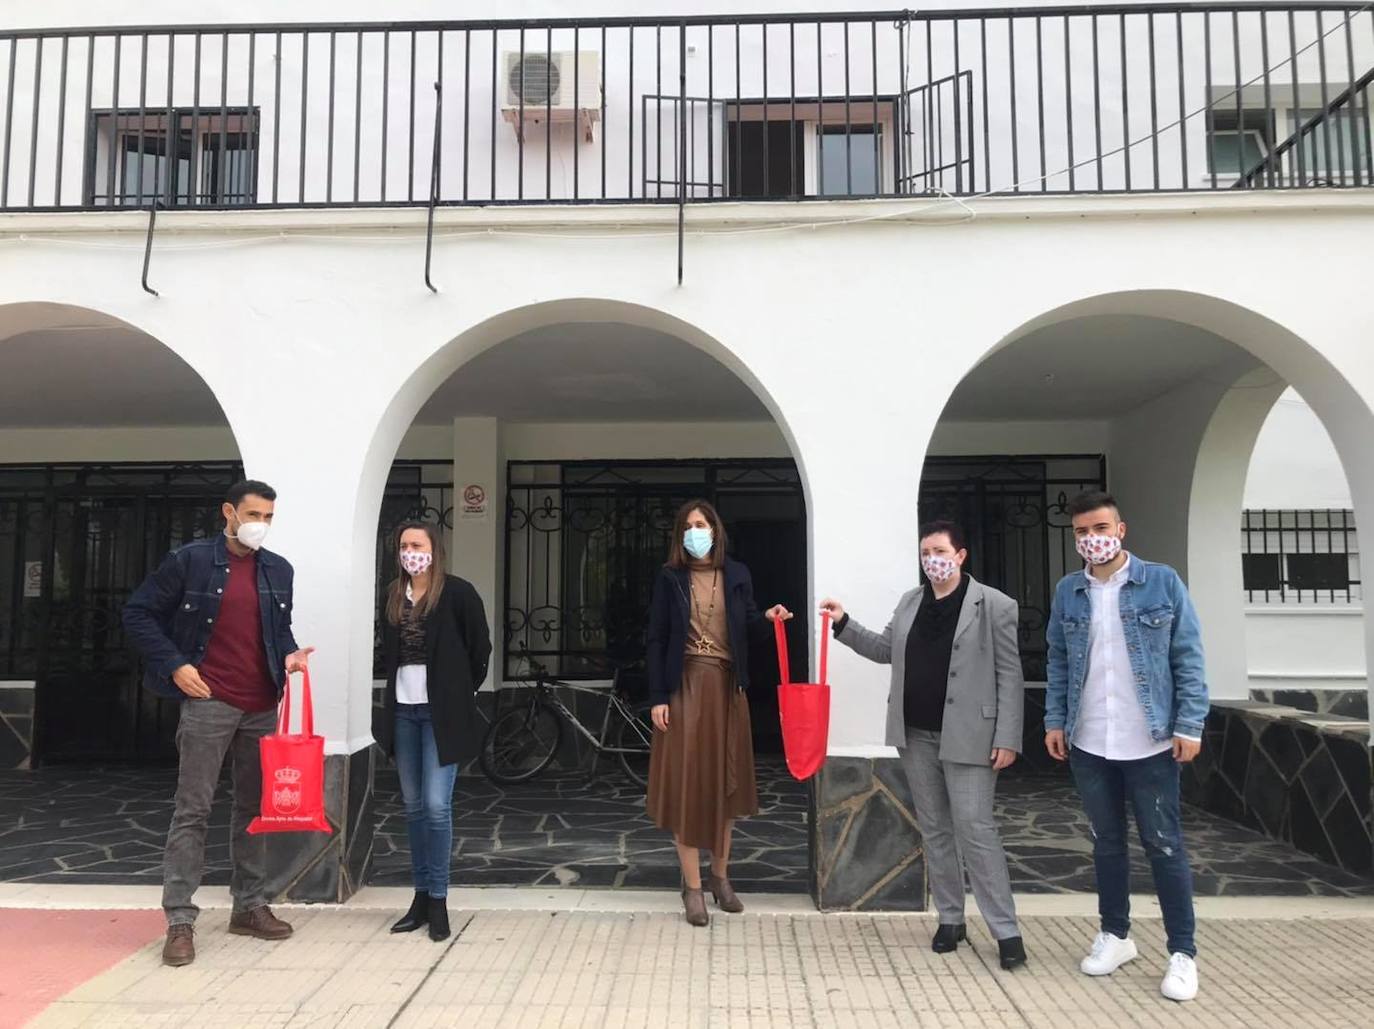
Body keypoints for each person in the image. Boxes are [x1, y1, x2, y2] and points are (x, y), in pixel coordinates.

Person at [815, 520, 1028, 970]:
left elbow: (1010, 674)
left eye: (940, 551)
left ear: (960, 555)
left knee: (976, 829)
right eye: (926, 552)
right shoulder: (910, 602)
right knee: (934, 829)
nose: (932, 560)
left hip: (972, 737)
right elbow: (884, 649)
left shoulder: (994, 605)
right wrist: (844, 623)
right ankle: (950, 919)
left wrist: (1008, 736)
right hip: (916, 734)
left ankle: (1005, 930)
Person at [123, 479, 314, 968]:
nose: (261, 525)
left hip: (261, 704)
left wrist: (290, 655)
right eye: (253, 515)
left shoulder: (278, 569)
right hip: (209, 700)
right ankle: (179, 920)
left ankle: (249, 906)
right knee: (193, 809)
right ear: (229, 512)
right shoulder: (190, 561)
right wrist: (175, 664)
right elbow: (138, 613)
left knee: (253, 809)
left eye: (268, 517)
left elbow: (277, 630)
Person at [1044, 490, 1208, 1003]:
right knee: (1106, 843)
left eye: (1100, 528)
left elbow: (1188, 656)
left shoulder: (1161, 581)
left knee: (1164, 845)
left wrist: (1190, 725)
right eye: (1082, 532)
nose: (1091, 539)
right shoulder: (1069, 591)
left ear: (1121, 530)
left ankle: (1182, 953)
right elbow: (1058, 660)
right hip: (1090, 739)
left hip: (1152, 740)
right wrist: (1054, 720)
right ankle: (1115, 935)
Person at [645, 499, 788, 927]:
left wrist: (770, 618)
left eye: (702, 524)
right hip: (685, 685)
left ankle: (720, 878)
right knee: (687, 788)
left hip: (728, 688)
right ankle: (692, 888)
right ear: (680, 534)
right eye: (688, 525)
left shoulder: (737, 573)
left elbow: (748, 626)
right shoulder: (670, 577)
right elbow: (656, 637)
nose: (696, 532)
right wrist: (658, 695)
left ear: (716, 530)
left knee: (726, 787)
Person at [381, 521, 491, 942]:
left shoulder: (458, 593)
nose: (410, 551)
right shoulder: (394, 594)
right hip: (403, 712)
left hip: (441, 714)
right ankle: (421, 896)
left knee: (435, 805)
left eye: (418, 544)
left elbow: (480, 647)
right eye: (404, 545)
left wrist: (460, 690)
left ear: (434, 549)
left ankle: (440, 899)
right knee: (412, 807)